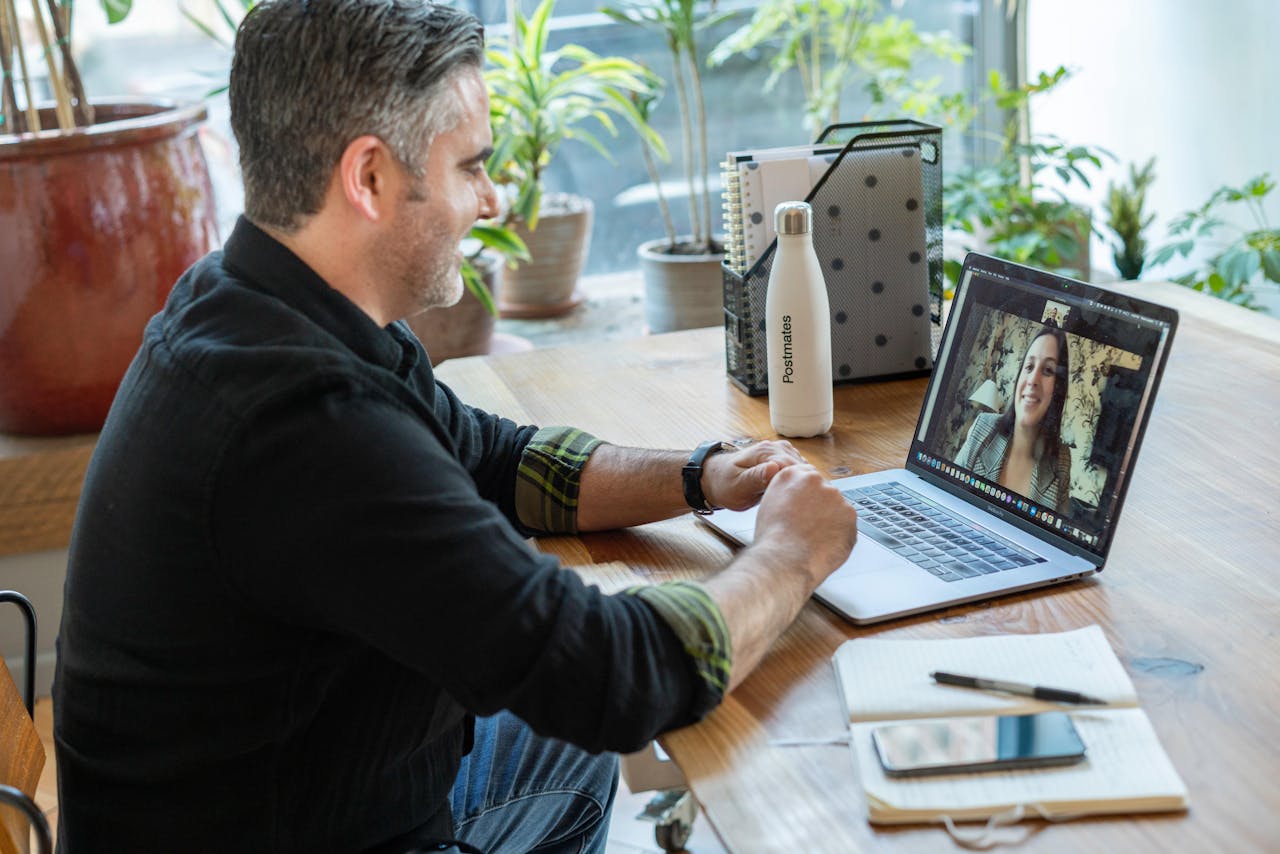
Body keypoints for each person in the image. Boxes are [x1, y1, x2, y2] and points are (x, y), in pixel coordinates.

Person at [50, 1, 858, 851]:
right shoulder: (306, 427)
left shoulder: (256, 301)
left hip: (296, 788)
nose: (492, 197)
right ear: (368, 178)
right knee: (613, 714)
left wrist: (701, 474)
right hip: (314, 830)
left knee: (564, 735)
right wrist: (790, 556)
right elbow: (614, 678)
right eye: (471, 165)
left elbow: (498, 460)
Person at [955, 324, 1072, 513]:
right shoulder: (982, 427)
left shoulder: (1062, 460)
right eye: (1029, 366)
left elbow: (1055, 535)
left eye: (1048, 370)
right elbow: (948, 493)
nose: (1033, 380)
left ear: (1058, 389)